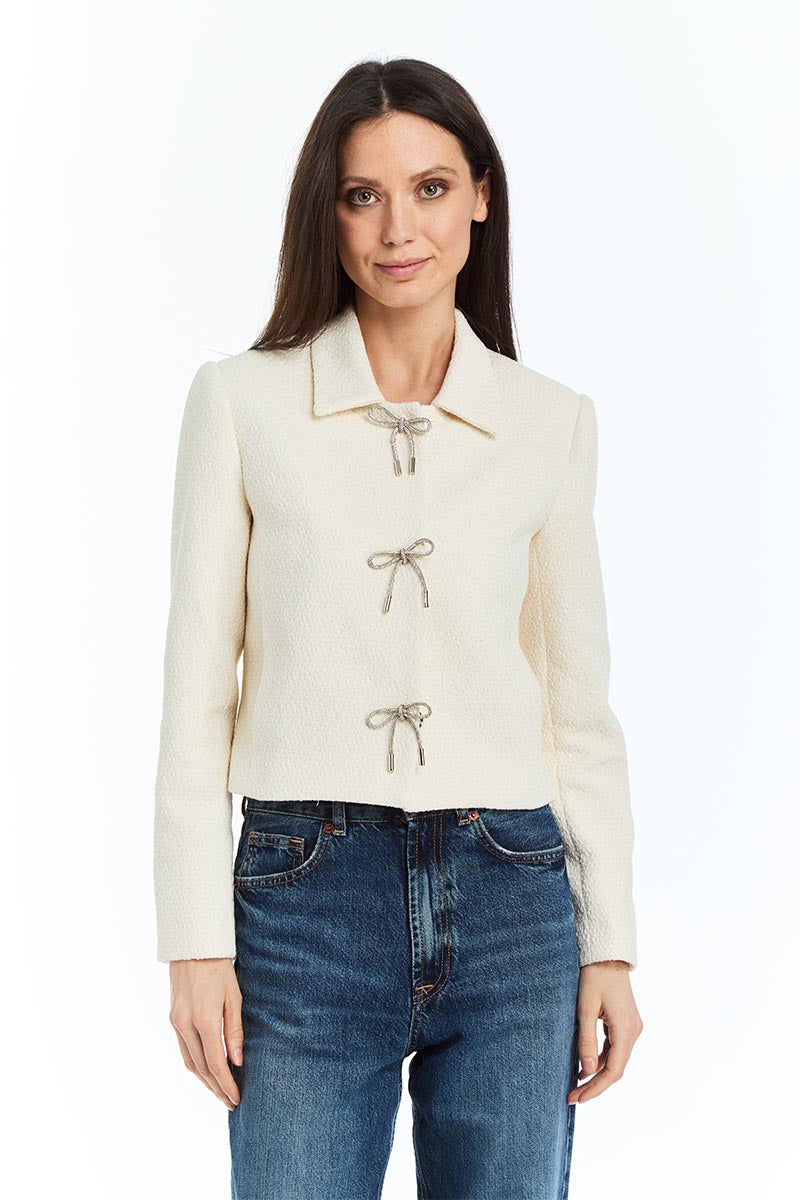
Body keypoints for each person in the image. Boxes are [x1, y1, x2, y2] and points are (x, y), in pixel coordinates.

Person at [154, 56, 644, 1200]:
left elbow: (576, 710)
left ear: (480, 196)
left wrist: (609, 942)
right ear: (324, 213)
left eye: (429, 188)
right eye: (360, 195)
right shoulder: (241, 403)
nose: (396, 230)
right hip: (303, 896)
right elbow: (195, 693)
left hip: (513, 897)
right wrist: (193, 938)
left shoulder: (548, 423)